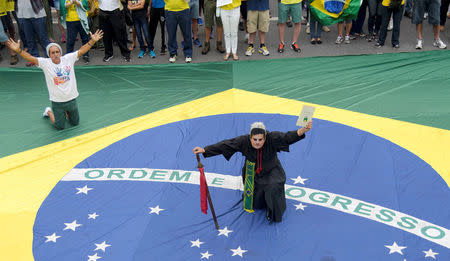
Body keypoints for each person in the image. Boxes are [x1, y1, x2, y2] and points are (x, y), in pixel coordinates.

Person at [192, 121, 313, 223]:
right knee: (255, 203)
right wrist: (205, 150)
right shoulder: (243, 141)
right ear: (250, 138)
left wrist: (303, 129)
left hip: (272, 171)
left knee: (273, 186)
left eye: (260, 139)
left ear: (265, 137)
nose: (257, 142)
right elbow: (225, 145)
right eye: (254, 139)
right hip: (252, 172)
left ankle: (274, 212)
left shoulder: (273, 138)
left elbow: (288, 137)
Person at [6, 30, 104, 130]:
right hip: (57, 102)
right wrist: (19, 51)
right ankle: (48, 111)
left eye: (57, 52)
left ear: (60, 53)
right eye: (53, 52)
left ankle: (66, 112)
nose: (55, 54)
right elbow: (30, 58)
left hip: (72, 99)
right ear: (49, 54)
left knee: (75, 123)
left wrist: (92, 41)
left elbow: (82, 50)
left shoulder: (68, 59)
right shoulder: (45, 63)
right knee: (59, 126)